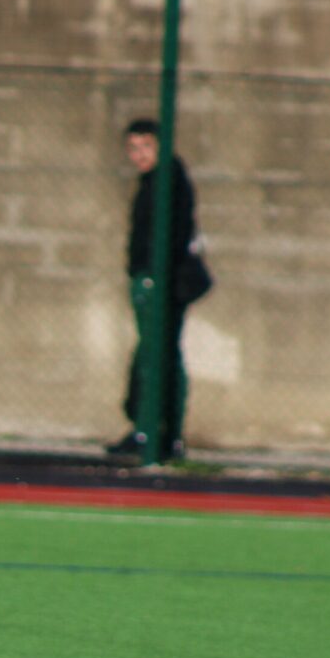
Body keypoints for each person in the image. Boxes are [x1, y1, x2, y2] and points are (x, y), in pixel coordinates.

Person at [107, 118, 209, 460]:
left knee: (158, 356)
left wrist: (153, 277)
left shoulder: (170, 181)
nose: (139, 155)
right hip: (150, 278)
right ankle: (149, 428)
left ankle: (157, 433)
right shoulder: (151, 182)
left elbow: (172, 236)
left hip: (161, 282)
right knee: (151, 355)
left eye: (146, 146)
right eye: (133, 148)